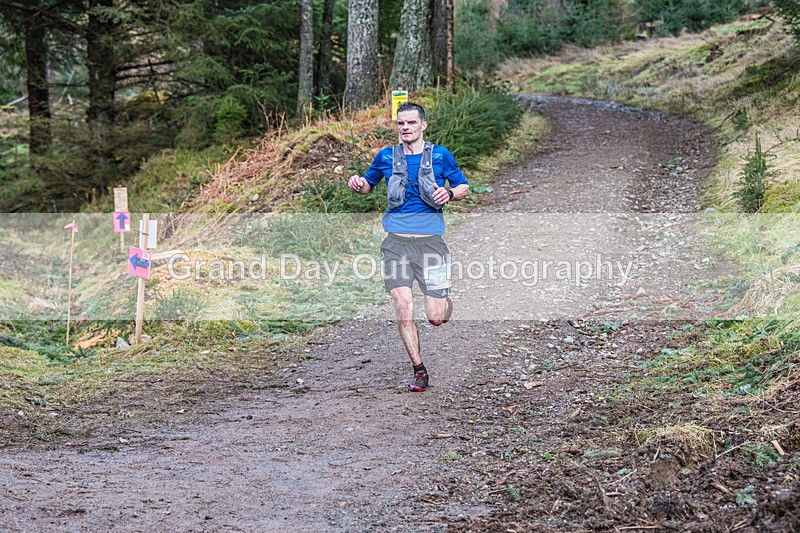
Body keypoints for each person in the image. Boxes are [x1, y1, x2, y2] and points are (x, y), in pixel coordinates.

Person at [347, 102, 469, 391]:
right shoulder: (386, 156)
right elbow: (367, 185)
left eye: (411, 123)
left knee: (435, 318)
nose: (405, 128)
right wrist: (358, 183)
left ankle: (444, 302)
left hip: (431, 245)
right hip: (396, 245)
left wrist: (449, 193)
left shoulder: (440, 155)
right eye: (401, 123)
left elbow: (464, 186)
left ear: (423, 125)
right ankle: (419, 369)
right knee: (403, 307)